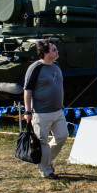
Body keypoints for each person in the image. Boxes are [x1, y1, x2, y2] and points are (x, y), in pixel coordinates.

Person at [23, 40, 69, 179]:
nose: (57, 51)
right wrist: (28, 111)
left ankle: (46, 161)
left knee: (62, 136)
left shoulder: (56, 65)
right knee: (42, 142)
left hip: (57, 111)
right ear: (45, 53)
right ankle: (46, 171)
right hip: (41, 113)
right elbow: (27, 90)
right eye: (54, 49)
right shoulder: (35, 68)